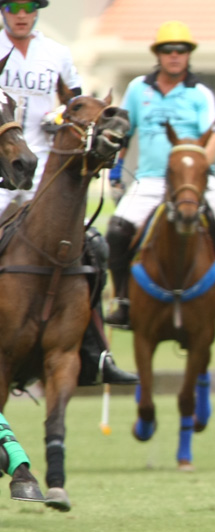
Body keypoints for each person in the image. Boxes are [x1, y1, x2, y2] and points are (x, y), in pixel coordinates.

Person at [0, 0, 136, 386]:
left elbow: (76, 107)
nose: (21, 14)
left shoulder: (56, 53)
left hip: (47, 165)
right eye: (13, 7)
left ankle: (95, 350)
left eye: (28, 7)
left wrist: (57, 118)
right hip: (2, 165)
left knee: (93, 248)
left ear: (37, 11)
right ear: (4, 11)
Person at [105, 21, 215, 333]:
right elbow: (124, 134)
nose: (174, 55)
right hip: (149, 179)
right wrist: (117, 170)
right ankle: (121, 299)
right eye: (167, 50)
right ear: (158, 54)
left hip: (195, 179)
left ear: (189, 55)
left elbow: (213, 136)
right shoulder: (138, 89)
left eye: (181, 50)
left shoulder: (201, 94)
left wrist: (197, 172)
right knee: (117, 232)